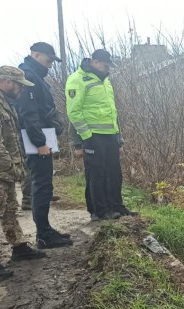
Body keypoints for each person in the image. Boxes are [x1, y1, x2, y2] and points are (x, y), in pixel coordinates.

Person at [0, 66, 46, 280]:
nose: (21, 89)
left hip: (4, 170)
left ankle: (18, 246)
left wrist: (14, 166)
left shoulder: (1, 102)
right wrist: (12, 167)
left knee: (10, 210)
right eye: (19, 85)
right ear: (8, 82)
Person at [65, 49, 137, 221]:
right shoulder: (77, 79)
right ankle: (99, 210)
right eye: (105, 65)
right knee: (97, 174)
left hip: (110, 135)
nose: (108, 68)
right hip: (93, 135)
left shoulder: (105, 81)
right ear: (95, 62)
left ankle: (116, 206)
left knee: (114, 172)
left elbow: (112, 111)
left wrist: (118, 138)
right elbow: (74, 112)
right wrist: (85, 137)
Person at [17, 42, 72, 248]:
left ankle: (45, 230)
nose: (50, 65)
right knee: (41, 185)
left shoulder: (35, 75)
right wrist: (40, 143)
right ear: (36, 54)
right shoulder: (29, 76)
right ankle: (43, 235)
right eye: (48, 60)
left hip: (42, 136)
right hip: (36, 139)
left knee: (45, 185)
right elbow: (29, 114)